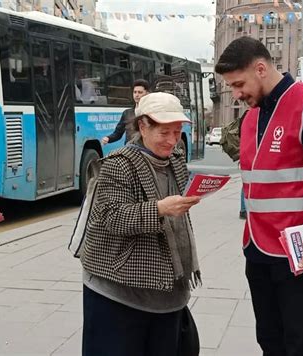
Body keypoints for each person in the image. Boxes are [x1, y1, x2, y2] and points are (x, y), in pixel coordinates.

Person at [214, 36, 303, 356]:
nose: (236, 95)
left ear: (261, 68)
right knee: (270, 340)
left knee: (302, 344)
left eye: (239, 84)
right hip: (259, 248)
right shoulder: (251, 117)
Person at [81, 92, 202, 356]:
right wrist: (160, 209)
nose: (172, 141)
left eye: (177, 131)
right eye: (164, 132)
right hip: (118, 291)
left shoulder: (176, 161)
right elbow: (110, 217)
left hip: (167, 290)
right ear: (143, 126)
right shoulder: (118, 165)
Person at [101, 79, 150, 145]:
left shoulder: (151, 112)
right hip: (129, 150)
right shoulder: (127, 113)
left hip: (145, 151)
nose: (137, 95)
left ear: (147, 94)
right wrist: (108, 138)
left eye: (140, 92)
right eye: (135, 92)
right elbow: (118, 134)